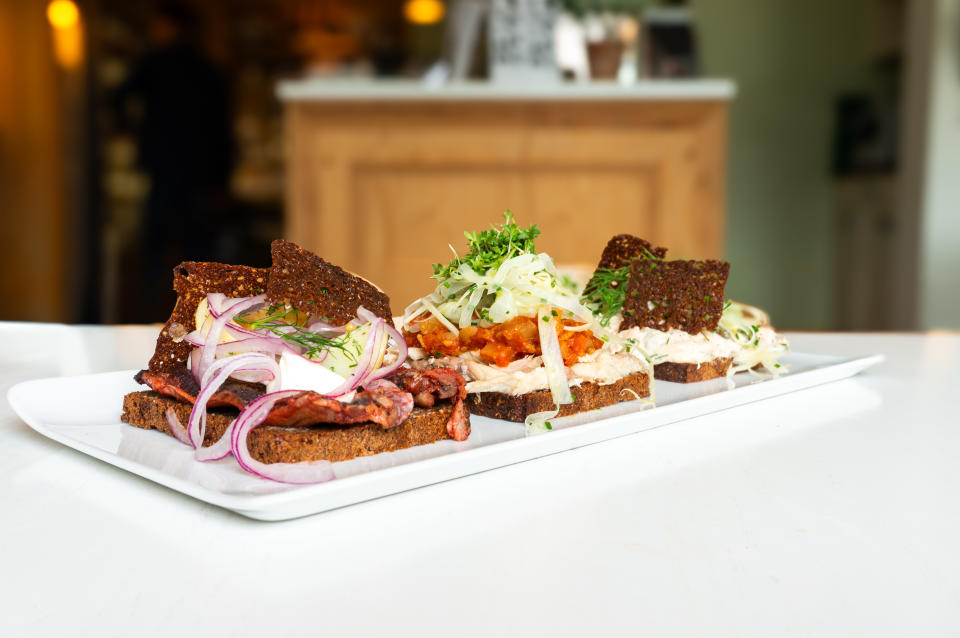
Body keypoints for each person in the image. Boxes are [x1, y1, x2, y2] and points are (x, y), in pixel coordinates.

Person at [113, 2, 234, 319]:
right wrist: (223, 180)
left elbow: (117, 97)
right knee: (196, 251)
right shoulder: (206, 68)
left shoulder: (154, 63)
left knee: (155, 248)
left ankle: (148, 315)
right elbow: (222, 131)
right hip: (198, 170)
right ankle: (200, 318)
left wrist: (128, 130)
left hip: (165, 166)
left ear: (169, 27)